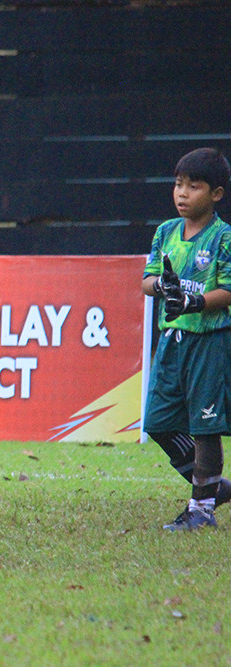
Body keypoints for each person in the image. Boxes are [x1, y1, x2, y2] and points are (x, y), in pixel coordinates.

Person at [142, 147, 231, 530]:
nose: (182, 194)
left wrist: (195, 301)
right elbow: (146, 282)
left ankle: (201, 510)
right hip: (172, 341)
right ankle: (214, 489)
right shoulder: (165, 232)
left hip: (209, 342)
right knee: (159, 422)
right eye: (178, 184)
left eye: (194, 187)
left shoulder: (223, 238)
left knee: (205, 426)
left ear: (215, 194)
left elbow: (228, 291)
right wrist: (162, 285)